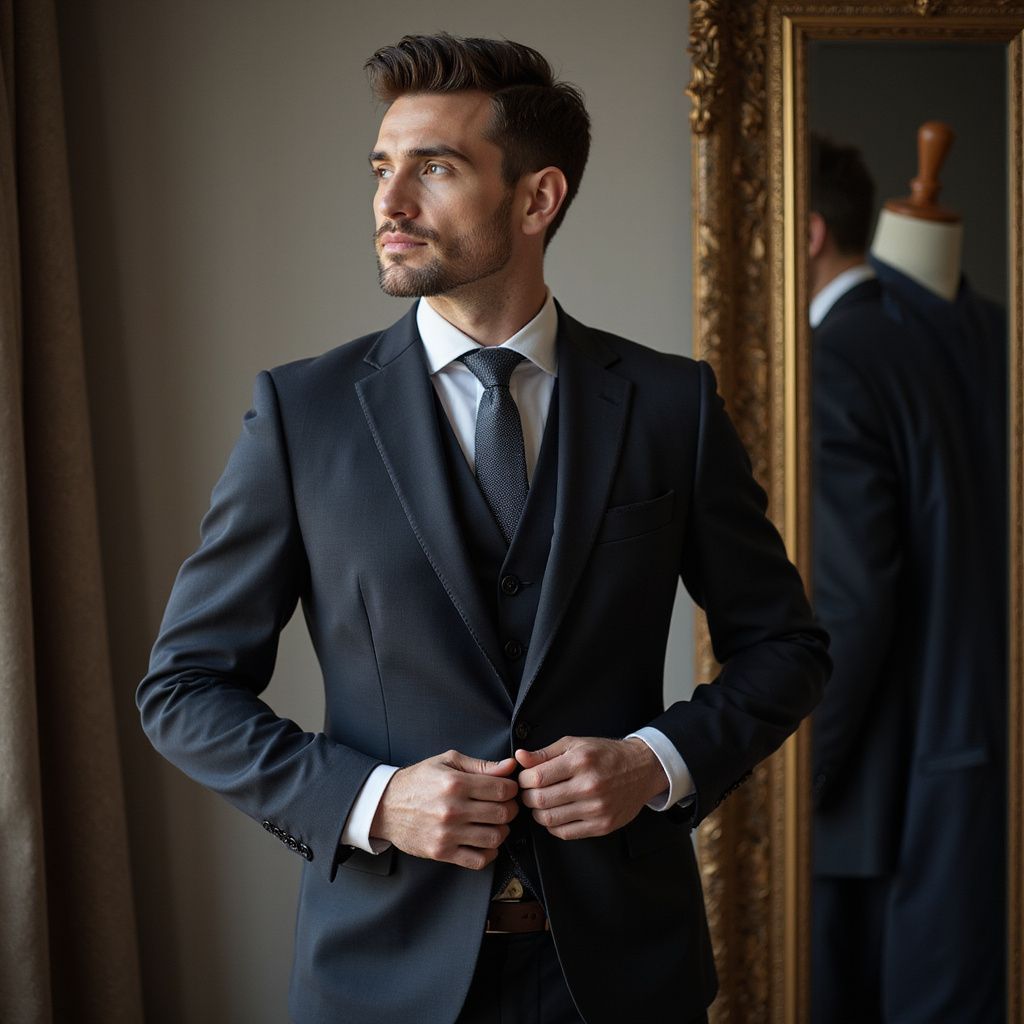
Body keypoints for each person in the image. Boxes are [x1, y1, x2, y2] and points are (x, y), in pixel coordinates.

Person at [138, 34, 829, 1024]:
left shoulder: (669, 405)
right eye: (381, 168)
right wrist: (373, 799)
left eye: (434, 168)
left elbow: (786, 647)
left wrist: (655, 760)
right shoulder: (303, 415)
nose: (389, 202)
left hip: (624, 973)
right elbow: (183, 689)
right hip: (380, 977)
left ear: (537, 198)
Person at [809, 133, 1007, 1022]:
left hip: (876, 801)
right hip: (967, 779)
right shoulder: (991, 332)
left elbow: (851, 601)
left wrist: (791, 776)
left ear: (809, 234)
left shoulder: (836, 357)